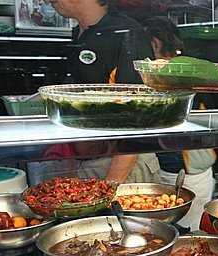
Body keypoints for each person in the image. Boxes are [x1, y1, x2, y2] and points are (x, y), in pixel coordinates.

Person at [32, 0, 160, 184]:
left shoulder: (126, 33)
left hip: (121, 167)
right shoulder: (79, 34)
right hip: (85, 164)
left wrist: (110, 185)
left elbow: (139, 115)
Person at [143, 16, 217, 231]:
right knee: (187, 232)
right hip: (198, 169)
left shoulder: (162, 75)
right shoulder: (195, 68)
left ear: (155, 43)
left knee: (174, 235)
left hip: (181, 171)